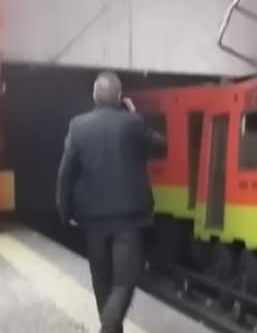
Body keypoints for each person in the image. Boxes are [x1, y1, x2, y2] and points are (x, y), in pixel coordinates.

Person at [56, 71, 165, 333]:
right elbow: (162, 147)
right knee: (124, 281)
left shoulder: (78, 126)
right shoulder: (132, 124)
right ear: (120, 98)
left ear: (95, 96)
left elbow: (66, 173)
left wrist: (64, 212)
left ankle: (108, 327)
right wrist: (135, 115)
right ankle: (109, 327)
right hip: (129, 219)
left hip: (93, 219)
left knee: (101, 279)